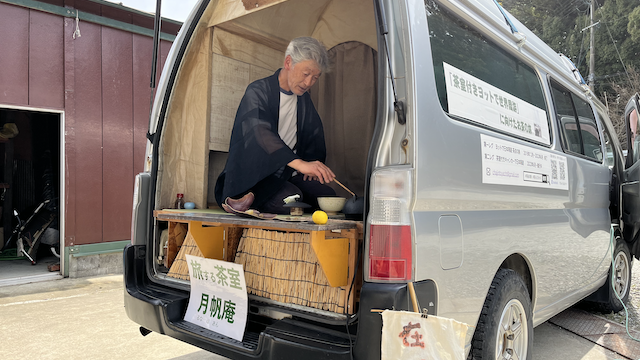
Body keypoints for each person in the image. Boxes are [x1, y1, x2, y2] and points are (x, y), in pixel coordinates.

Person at [215, 37, 336, 214]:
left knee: (328, 196)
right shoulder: (257, 91)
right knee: (290, 199)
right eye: (306, 74)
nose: (309, 83)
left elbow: (313, 134)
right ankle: (244, 199)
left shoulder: (304, 100)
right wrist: (300, 164)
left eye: (315, 78)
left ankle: (293, 196)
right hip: (258, 177)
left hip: (288, 174)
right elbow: (260, 134)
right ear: (288, 62)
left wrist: (312, 164)